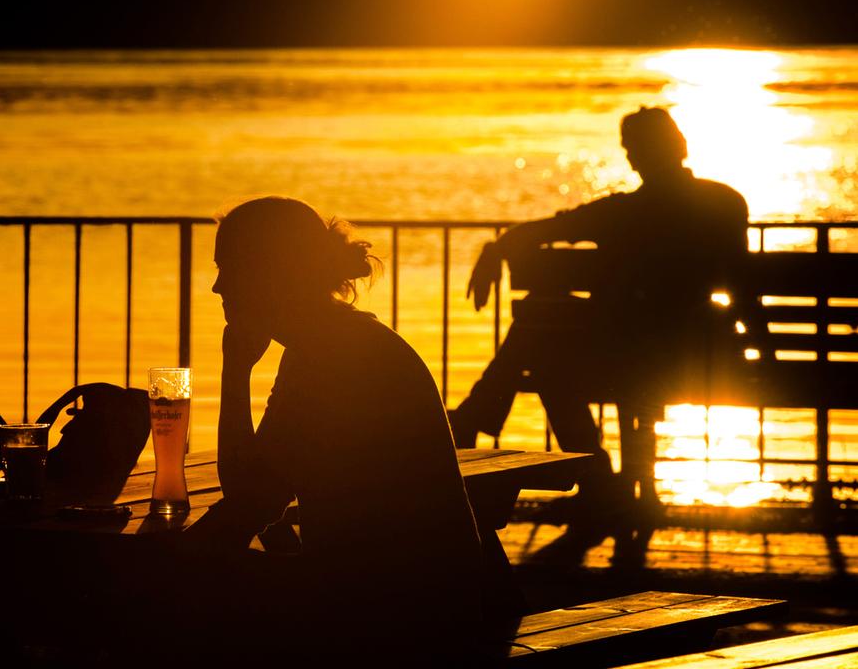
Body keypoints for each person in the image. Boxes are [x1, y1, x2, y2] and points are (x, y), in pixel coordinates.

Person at [189, 196, 486, 661]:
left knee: (179, 594)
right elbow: (258, 493)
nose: (217, 286)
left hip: (397, 615)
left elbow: (247, 500)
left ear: (271, 274)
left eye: (230, 267)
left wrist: (235, 371)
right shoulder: (335, 342)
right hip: (429, 596)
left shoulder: (332, 358)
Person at [450, 106, 749, 518]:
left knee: (543, 352)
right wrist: (759, 345)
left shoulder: (619, 213)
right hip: (700, 354)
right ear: (680, 144)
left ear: (639, 156)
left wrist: (495, 248)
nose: (629, 156)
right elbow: (743, 284)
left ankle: (589, 474)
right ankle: (481, 416)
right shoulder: (726, 203)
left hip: (627, 355)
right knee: (540, 330)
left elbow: (544, 230)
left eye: (632, 148)